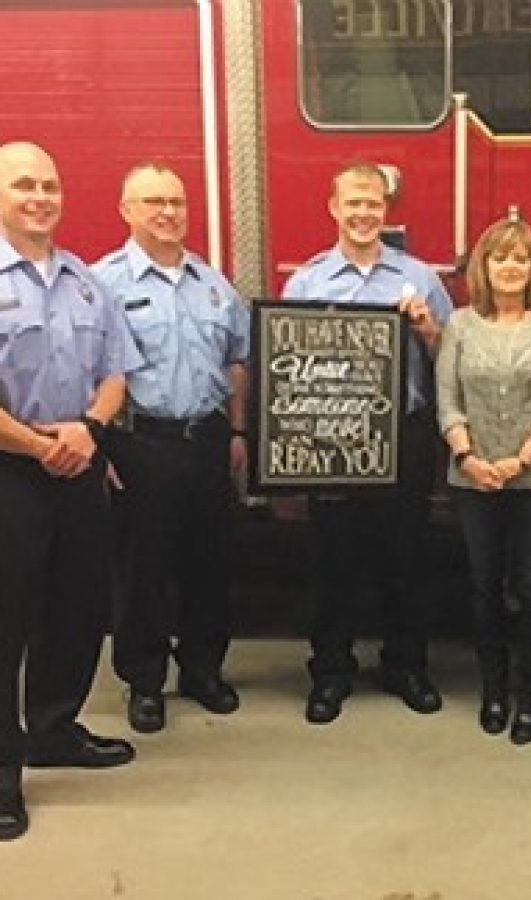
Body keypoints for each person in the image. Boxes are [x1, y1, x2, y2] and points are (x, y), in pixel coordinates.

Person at [0, 142, 142, 840]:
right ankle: (2, 776)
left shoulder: (88, 281)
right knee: (6, 623)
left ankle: (55, 728)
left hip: (79, 462)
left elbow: (117, 370)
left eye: (50, 185)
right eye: (23, 184)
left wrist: (88, 428)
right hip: (10, 470)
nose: (39, 196)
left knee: (80, 604)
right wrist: (39, 444)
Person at [282, 162, 453, 724]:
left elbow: (450, 362)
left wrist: (428, 328)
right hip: (332, 436)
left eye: (373, 204)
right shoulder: (306, 283)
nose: (363, 213)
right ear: (333, 207)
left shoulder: (420, 278)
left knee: (406, 558)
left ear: (387, 211)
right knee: (333, 562)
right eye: (353, 203)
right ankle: (331, 671)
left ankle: (407, 666)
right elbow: (286, 369)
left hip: (404, 434)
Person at [93, 163, 250, 734]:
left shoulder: (214, 284)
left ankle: (203, 670)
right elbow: (87, 372)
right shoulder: (101, 284)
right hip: (140, 442)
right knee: (142, 569)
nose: (167, 212)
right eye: (153, 201)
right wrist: (101, 448)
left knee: (210, 563)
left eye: (176, 201)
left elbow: (238, 361)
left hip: (205, 440)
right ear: (125, 209)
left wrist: (236, 433)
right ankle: (143, 680)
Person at [436, 217, 531, 745]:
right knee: (484, 590)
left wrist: (521, 460)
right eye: (500, 257)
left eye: (520, 257)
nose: (511, 266)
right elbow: (448, 402)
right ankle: (492, 692)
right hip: (472, 479)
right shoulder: (458, 325)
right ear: (484, 266)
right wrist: (470, 457)